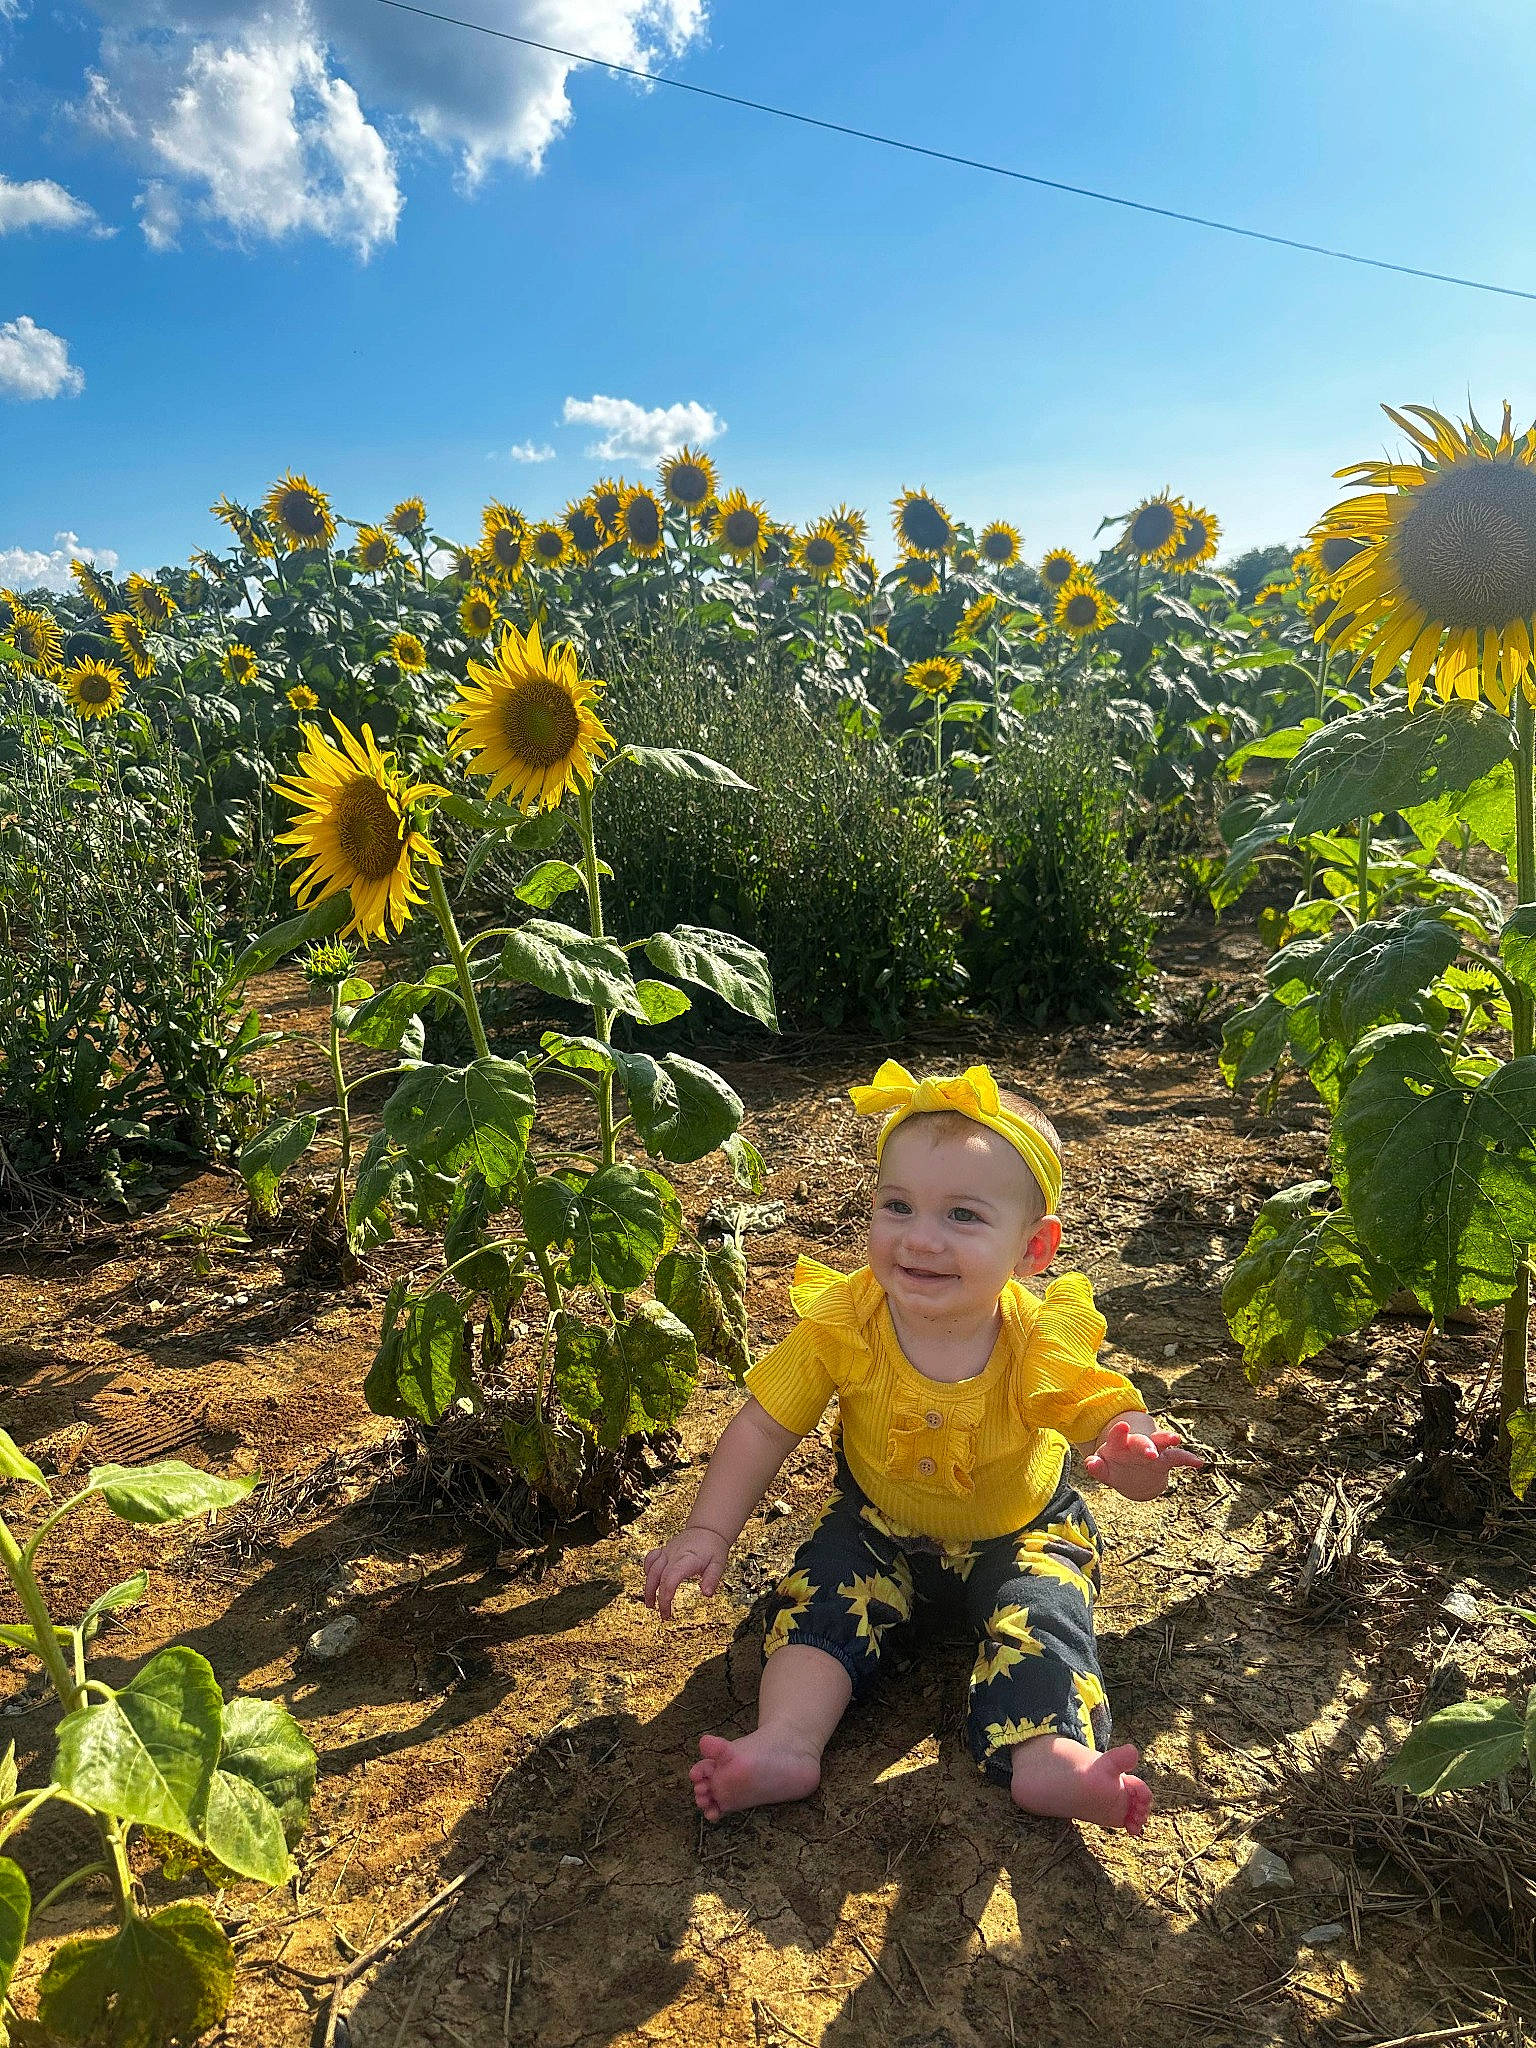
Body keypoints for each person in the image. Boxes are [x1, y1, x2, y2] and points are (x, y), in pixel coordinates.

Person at [643, 1060, 1203, 1834]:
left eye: (963, 1217)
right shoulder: (846, 1321)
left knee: (1045, 1616)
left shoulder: (1038, 1337)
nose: (920, 1239)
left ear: (1033, 1249)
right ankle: (786, 1742)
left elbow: (1109, 1420)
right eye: (897, 1205)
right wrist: (708, 1530)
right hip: (878, 1526)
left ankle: (1052, 1761)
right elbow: (765, 1423)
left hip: (1021, 1532)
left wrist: (1133, 1455)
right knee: (822, 1593)